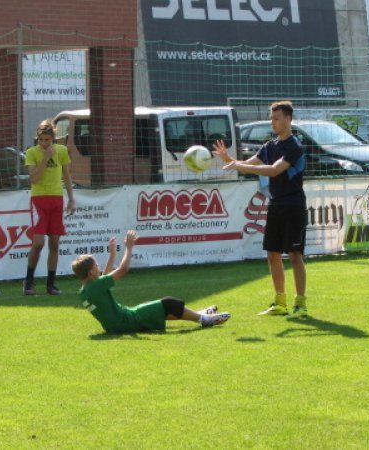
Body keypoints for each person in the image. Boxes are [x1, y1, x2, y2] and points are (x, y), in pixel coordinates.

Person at [213, 101, 307, 317]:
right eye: (271, 118)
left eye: (276, 118)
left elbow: (274, 171)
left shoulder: (294, 146)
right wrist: (229, 159)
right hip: (275, 204)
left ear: (288, 119)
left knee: (295, 255)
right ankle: (280, 303)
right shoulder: (269, 146)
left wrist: (239, 165)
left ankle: (300, 304)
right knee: (272, 253)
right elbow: (249, 163)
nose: (272, 122)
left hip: (293, 206)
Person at [72, 231, 231, 333]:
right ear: (91, 272)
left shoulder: (84, 291)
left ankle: (199, 314)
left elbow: (104, 278)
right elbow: (123, 269)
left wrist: (112, 254)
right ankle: (204, 320)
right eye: (96, 265)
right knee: (169, 303)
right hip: (127, 321)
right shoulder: (95, 286)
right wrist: (129, 247)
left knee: (156, 308)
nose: (98, 267)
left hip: (117, 325)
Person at [24, 119, 75, 296]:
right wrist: (45, 158)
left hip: (56, 199)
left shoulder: (61, 151)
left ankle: (51, 284)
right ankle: (28, 282)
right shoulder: (31, 153)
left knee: (54, 243)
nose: (44, 143)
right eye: (41, 140)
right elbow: (34, 179)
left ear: (53, 138)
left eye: (47, 140)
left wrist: (71, 199)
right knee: (38, 243)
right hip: (39, 200)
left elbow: (66, 176)